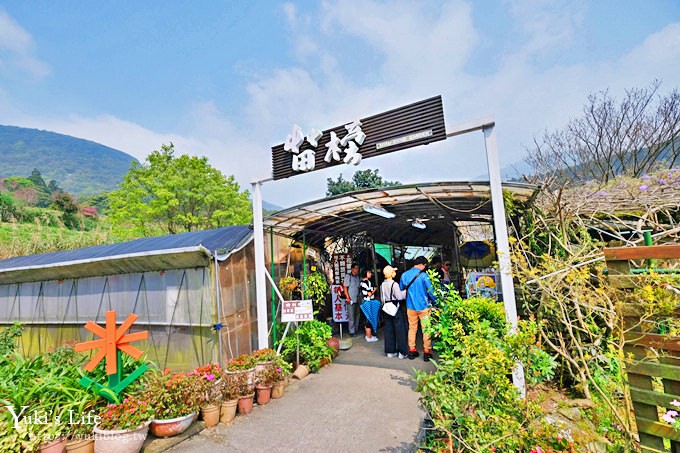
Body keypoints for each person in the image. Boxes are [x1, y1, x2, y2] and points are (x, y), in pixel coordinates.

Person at [399, 256, 436, 361]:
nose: (425, 268)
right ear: (421, 265)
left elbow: (401, 288)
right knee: (426, 329)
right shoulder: (424, 276)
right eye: (425, 266)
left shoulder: (404, 275)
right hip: (424, 306)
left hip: (410, 306)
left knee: (412, 328)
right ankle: (427, 352)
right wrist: (436, 302)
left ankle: (412, 350)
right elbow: (431, 292)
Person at [381, 265, 408, 359]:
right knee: (400, 330)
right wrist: (404, 292)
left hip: (386, 308)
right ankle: (402, 352)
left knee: (389, 330)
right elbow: (400, 297)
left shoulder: (382, 284)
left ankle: (390, 351)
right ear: (391, 273)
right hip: (395, 308)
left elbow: (382, 298)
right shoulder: (394, 284)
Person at [342, 262, 361, 337]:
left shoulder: (357, 277)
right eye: (356, 268)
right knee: (351, 316)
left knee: (357, 314)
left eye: (357, 268)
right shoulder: (348, 276)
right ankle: (352, 331)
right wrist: (348, 297)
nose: (357, 270)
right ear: (352, 269)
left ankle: (356, 329)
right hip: (350, 299)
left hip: (357, 298)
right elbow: (345, 287)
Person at [360, 269, 378, 342]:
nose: (370, 274)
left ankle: (369, 335)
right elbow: (369, 294)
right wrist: (374, 290)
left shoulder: (368, 282)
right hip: (366, 302)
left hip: (368, 301)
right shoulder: (364, 283)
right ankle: (368, 336)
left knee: (368, 318)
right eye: (369, 272)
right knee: (368, 318)